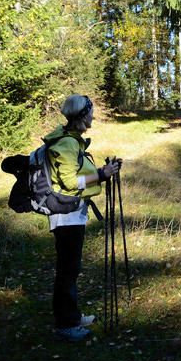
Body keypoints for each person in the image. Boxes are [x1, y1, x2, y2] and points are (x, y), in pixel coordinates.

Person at [45, 94, 121, 341]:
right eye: (91, 111)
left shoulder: (72, 140)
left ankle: (73, 317)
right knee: (68, 271)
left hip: (72, 212)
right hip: (66, 214)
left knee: (71, 269)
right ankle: (66, 326)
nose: (93, 116)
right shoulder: (67, 144)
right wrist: (101, 174)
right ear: (81, 115)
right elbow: (68, 181)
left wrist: (102, 173)